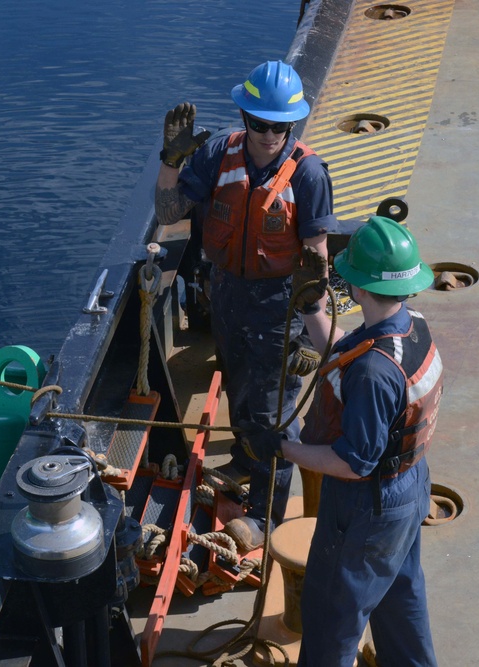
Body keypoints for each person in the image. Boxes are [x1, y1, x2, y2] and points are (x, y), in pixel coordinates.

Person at [242, 215, 441, 666]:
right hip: (409, 490)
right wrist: (312, 306)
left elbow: (354, 463)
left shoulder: (374, 374)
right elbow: (345, 350)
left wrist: (282, 447)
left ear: (358, 287)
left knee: (333, 614)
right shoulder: (412, 327)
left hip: (366, 506)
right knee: (399, 600)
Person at [154, 60, 335, 551]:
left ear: (292, 124)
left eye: (280, 125)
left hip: (279, 303)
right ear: (244, 117)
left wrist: (307, 336)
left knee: (274, 413)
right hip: (228, 293)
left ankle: (267, 515)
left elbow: (316, 259)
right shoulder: (218, 153)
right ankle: (243, 457)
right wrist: (172, 160)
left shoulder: (309, 173)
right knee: (239, 386)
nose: (268, 134)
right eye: (259, 122)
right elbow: (169, 212)